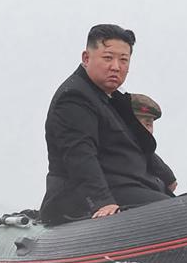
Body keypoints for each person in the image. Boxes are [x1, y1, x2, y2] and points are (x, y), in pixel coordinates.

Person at [39, 24, 173, 225]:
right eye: (108, 58)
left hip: (129, 186)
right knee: (169, 212)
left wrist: (166, 177)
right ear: (86, 58)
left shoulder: (111, 99)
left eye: (124, 60)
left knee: (186, 208)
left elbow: (133, 142)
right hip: (84, 198)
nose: (116, 67)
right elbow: (79, 155)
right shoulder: (74, 98)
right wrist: (102, 202)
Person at [130, 93, 177, 192]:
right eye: (137, 122)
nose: (144, 129)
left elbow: (172, 183)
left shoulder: (147, 153)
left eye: (148, 124)